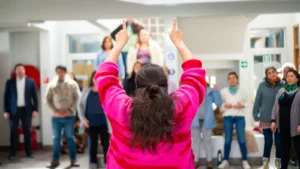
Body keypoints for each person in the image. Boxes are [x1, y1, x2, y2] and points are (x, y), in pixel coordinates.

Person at [95, 19, 206, 168]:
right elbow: (195, 76)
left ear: (137, 85)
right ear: (166, 85)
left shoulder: (121, 108)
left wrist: (119, 44)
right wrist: (179, 43)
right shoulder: (181, 107)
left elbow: (104, 76)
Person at [46, 66, 81, 168]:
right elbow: (48, 100)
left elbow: (77, 98)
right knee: (56, 138)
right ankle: (55, 160)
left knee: (70, 137)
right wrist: (54, 111)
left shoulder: (72, 84)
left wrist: (70, 110)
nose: (59, 74)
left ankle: (73, 160)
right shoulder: (52, 85)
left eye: (61, 72)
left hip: (69, 116)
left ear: (65, 72)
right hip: (56, 117)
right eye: (58, 72)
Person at [3, 64, 38, 160]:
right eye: (18, 70)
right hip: (14, 111)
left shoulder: (31, 82)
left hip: (27, 110)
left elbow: (35, 97)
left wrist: (35, 109)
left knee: (27, 131)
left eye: (21, 69)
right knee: (13, 132)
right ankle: (13, 153)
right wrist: (6, 111)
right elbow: (6, 97)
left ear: (24, 71)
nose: (20, 71)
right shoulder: (10, 82)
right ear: (15, 72)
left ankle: (29, 152)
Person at [78, 71, 110, 169]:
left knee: (106, 144)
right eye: (95, 77)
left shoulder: (106, 90)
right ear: (92, 79)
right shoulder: (86, 91)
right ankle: (93, 163)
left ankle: (107, 163)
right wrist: (83, 119)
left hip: (104, 123)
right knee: (93, 145)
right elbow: (80, 106)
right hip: (90, 123)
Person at [218, 72, 250, 169]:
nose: (232, 80)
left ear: (237, 79)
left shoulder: (243, 91)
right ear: (228, 80)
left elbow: (248, 102)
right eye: (230, 78)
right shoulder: (223, 91)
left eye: (233, 78)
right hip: (227, 117)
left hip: (239, 117)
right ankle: (225, 161)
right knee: (227, 140)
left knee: (242, 140)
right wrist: (224, 106)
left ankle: (245, 161)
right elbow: (220, 106)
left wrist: (242, 105)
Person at [253, 66, 282, 169]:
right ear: (266, 75)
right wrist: (256, 115)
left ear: (276, 73)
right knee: (268, 142)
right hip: (266, 118)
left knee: (279, 143)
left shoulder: (282, 85)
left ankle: (278, 162)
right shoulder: (262, 86)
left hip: (279, 118)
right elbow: (257, 101)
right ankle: (265, 163)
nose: (272, 74)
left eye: (273, 72)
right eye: (269, 73)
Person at [271, 69, 300, 169]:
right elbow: (275, 107)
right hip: (283, 124)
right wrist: (273, 120)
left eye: (292, 76)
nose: (289, 78)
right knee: (284, 148)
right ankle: (283, 166)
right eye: (287, 76)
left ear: (297, 78)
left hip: (296, 125)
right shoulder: (281, 91)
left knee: (298, 148)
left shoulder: (299, 91)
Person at [192, 82, 222, 169]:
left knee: (207, 141)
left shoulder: (210, 91)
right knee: (195, 141)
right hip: (195, 120)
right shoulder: (193, 91)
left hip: (207, 120)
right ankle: (195, 161)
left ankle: (209, 161)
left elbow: (218, 102)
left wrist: (216, 91)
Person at [111, 19, 143, 85]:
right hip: (125, 51)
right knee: (127, 71)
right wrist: (120, 42)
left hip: (134, 51)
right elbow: (112, 34)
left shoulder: (137, 26)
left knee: (136, 70)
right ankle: (126, 88)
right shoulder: (123, 25)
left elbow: (145, 33)